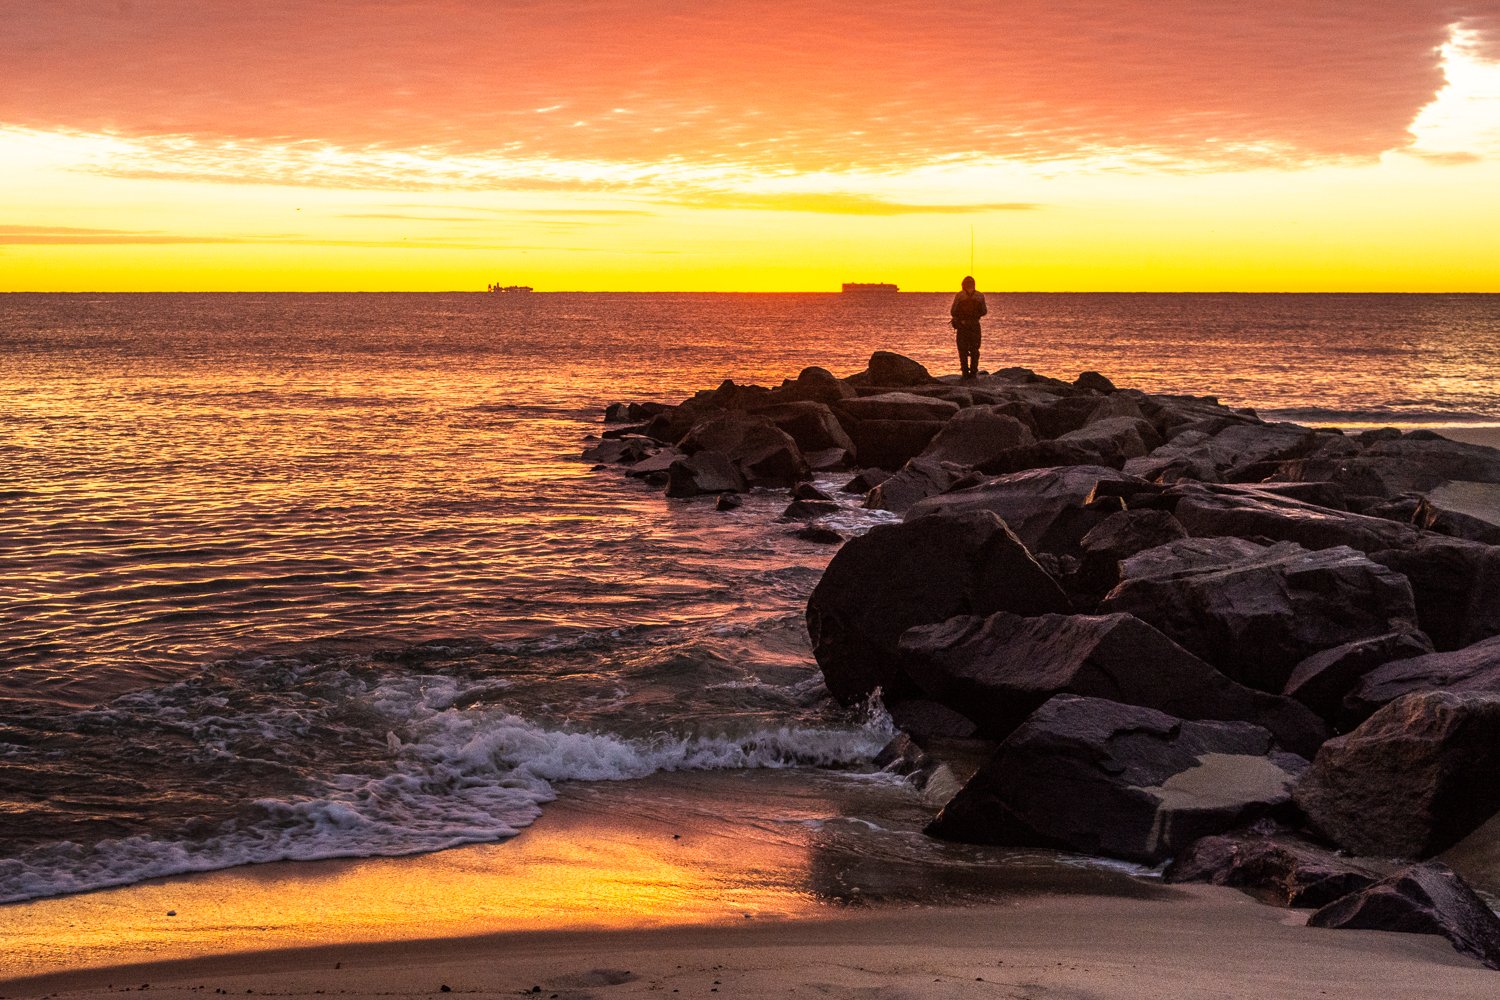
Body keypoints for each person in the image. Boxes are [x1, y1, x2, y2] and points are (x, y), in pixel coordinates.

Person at [950, 275, 987, 379]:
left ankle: (965, 372)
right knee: (975, 349)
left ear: (963, 284)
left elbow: (953, 311)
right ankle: (974, 372)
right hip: (975, 325)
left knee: (962, 349)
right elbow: (984, 311)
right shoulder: (980, 296)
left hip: (962, 326)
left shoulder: (960, 295)